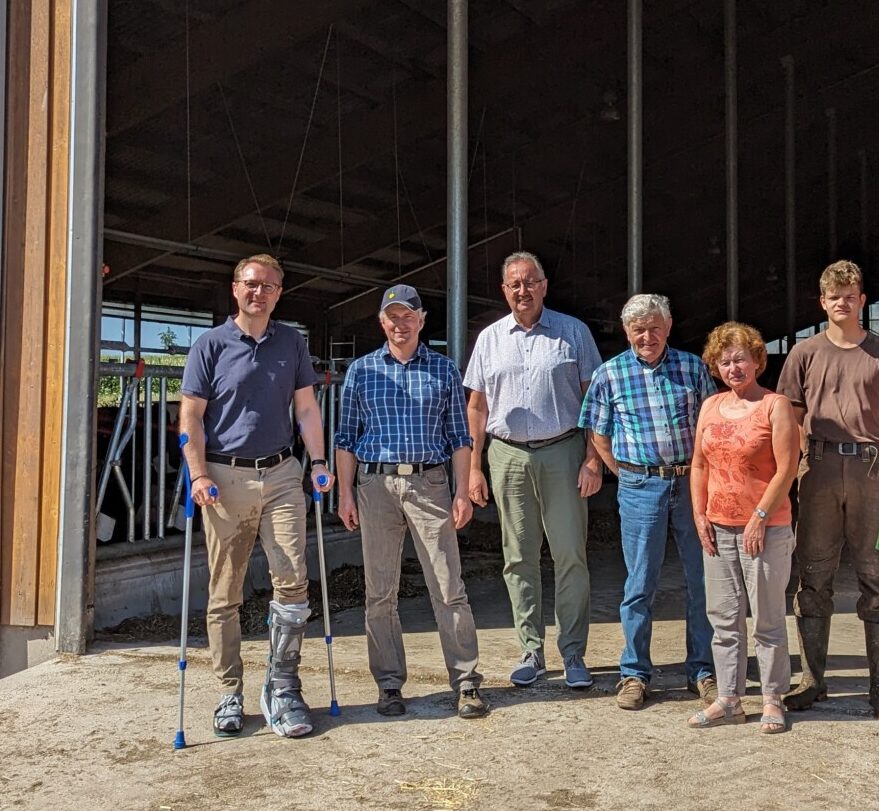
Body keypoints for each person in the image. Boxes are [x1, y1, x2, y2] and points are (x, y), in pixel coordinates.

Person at [178, 253, 333, 738]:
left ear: (279, 293)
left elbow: (306, 408)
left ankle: (283, 685)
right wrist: (199, 473)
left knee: (293, 580)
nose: (258, 292)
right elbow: (191, 418)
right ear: (235, 288)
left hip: (282, 471)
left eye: (268, 286)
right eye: (251, 284)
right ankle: (229, 690)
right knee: (225, 592)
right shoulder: (210, 345)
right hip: (225, 477)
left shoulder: (292, 342)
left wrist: (320, 462)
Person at [334, 284, 488, 720]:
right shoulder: (362, 371)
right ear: (381, 322)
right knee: (380, 591)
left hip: (429, 483)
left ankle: (467, 682)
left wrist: (461, 491)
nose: (400, 324)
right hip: (376, 485)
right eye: (392, 317)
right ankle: (388, 684)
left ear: (422, 321)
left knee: (447, 585)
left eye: (408, 317)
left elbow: (461, 438)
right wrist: (345, 493)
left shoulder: (442, 370)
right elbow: (345, 439)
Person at [776, 259, 879, 722]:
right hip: (817, 469)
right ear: (822, 302)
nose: (842, 302)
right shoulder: (804, 353)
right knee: (813, 574)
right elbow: (791, 415)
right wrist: (805, 460)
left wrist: (877, 458)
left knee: (875, 576)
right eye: (834, 296)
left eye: (850, 295)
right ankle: (813, 681)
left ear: (862, 299)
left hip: (869, 470)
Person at [464, 252, 603, 690]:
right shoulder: (489, 339)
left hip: (563, 450)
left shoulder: (573, 332)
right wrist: (474, 468)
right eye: (514, 284)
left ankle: (574, 653)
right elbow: (477, 406)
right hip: (507, 455)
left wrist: (593, 458)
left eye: (530, 282)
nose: (522, 291)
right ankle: (531, 649)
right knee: (518, 557)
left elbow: (594, 400)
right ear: (504, 290)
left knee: (570, 556)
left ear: (545, 285)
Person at [579, 294, 719, 710]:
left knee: (702, 580)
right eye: (639, 329)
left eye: (655, 327)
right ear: (627, 332)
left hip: (690, 483)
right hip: (641, 486)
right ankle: (635, 673)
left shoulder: (693, 367)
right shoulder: (610, 374)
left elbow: (710, 427)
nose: (647, 336)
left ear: (669, 327)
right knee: (640, 584)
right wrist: (626, 475)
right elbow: (598, 435)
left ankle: (703, 670)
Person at [688, 322, 800, 733]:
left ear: (757, 360)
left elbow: (787, 468)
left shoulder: (775, 406)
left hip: (765, 529)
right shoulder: (710, 406)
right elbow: (700, 464)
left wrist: (761, 516)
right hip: (718, 527)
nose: (733, 367)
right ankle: (729, 699)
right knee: (723, 618)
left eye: (740, 359)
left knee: (767, 617)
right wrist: (700, 515)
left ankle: (772, 698)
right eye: (725, 360)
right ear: (716, 367)